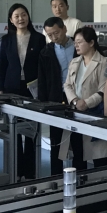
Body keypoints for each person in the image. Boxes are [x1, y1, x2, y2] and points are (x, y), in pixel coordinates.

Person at [0, 3, 46, 181]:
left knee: (32, 130)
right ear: (11, 20)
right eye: (16, 16)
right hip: (11, 89)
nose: (20, 18)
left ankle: (30, 171)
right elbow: (2, 66)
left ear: (28, 17)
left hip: (32, 90)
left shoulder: (39, 38)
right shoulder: (6, 40)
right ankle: (17, 170)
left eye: (23, 14)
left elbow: (43, 66)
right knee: (14, 130)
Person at [60, 27, 107, 169]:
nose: (76, 45)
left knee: (98, 155)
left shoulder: (104, 62)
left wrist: (86, 103)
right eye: (75, 43)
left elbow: (103, 90)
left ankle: (101, 182)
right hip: (76, 112)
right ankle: (79, 181)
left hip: (95, 113)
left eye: (80, 42)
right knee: (78, 154)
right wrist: (75, 101)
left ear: (91, 42)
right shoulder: (74, 62)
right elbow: (67, 85)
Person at [37, 17, 75, 176]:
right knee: (56, 140)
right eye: (50, 35)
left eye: (56, 33)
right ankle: (56, 176)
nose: (54, 37)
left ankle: (80, 174)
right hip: (56, 98)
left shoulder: (78, 46)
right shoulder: (46, 52)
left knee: (78, 138)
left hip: (77, 97)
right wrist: (43, 104)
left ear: (64, 29)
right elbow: (42, 80)